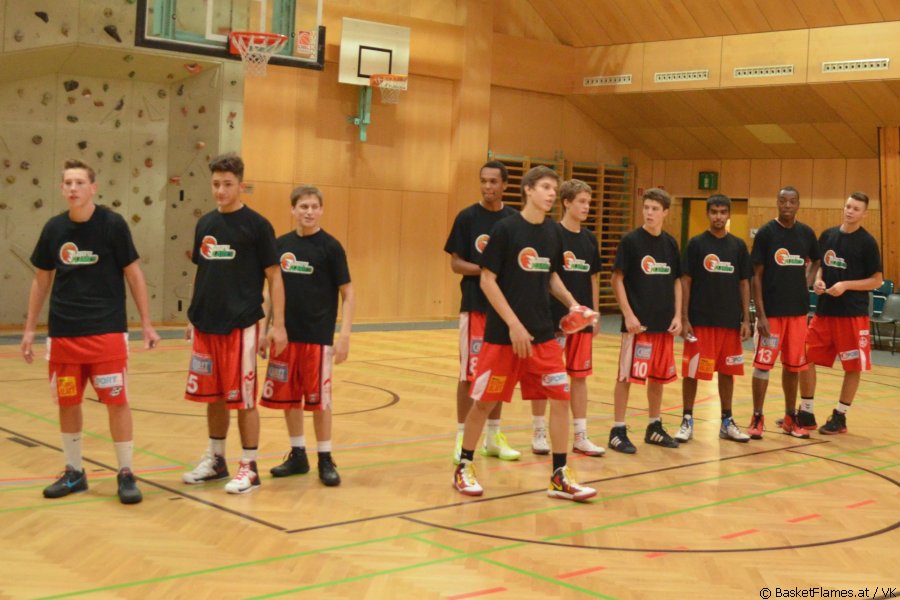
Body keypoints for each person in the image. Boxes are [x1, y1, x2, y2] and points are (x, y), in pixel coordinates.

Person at [453, 166, 596, 502]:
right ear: (528, 190)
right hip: (504, 338)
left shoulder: (552, 232)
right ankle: (464, 466)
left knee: (560, 399)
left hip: (543, 336)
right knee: (484, 403)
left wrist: (574, 304)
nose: (551, 193)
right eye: (545, 187)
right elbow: (487, 280)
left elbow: (551, 276)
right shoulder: (506, 229)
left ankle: (559, 475)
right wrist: (514, 324)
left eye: (554, 188)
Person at [21, 159, 160, 504]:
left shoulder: (112, 225)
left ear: (93, 188)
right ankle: (74, 472)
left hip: (106, 332)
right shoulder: (54, 228)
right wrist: (29, 329)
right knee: (68, 403)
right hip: (64, 334)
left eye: (79, 182)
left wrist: (146, 323)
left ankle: (126, 472)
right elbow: (41, 280)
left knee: (117, 401)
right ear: (62, 188)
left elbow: (134, 274)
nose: (73, 188)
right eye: (68, 183)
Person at [181, 153, 287, 494]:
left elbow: (275, 276)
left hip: (241, 324)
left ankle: (249, 467)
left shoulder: (257, 226)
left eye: (227, 184)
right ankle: (216, 459)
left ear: (241, 185)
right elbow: (202, 272)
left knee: (243, 398)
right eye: (216, 184)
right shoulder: (205, 224)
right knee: (213, 396)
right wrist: (192, 315)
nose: (220, 191)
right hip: (206, 323)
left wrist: (278, 325)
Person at [259, 185, 354, 486]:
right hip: (285, 336)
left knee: (319, 401)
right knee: (289, 398)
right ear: (293, 210)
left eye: (314, 206)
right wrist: (264, 329)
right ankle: (298, 454)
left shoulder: (331, 247)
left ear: (321, 210)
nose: (309, 212)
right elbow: (269, 292)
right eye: (303, 206)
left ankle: (325, 457)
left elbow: (348, 293)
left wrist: (344, 335)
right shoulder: (280, 245)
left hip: (318, 336)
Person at [444, 161, 520, 464]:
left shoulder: (513, 220)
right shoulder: (467, 217)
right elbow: (456, 264)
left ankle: (493, 437)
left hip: (503, 308)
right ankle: (462, 436)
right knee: (469, 374)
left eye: (493, 182)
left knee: (498, 374)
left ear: (505, 185)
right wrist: (487, 270)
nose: (487, 187)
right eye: (483, 181)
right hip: (475, 305)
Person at [531, 179, 606, 457]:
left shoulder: (589, 239)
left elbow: (593, 278)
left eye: (588, 202)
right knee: (547, 377)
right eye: (581, 202)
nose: (586, 207)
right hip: (553, 320)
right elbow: (547, 275)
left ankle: (581, 436)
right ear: (566, 202)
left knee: (580, 376)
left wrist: (594, 313)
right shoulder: (552, 234)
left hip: (582, 321)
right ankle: (539, 432)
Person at [799, 193, 882, 435]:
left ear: (864, 214)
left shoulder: (867, 243)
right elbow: (821, 267)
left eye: (856, 208)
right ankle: (806, 412)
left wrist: (846, 285)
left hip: (852, 314)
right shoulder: (828, 235)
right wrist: (818, 280)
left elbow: (877, 280)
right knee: (804, 357)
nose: (850, 211)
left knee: (852, 366)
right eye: (848, 206)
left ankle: (840, 416)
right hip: (825, 312)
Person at [608, 188, 682, 454]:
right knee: (626, 376)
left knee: (658, 378)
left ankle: (654, 425)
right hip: (638, 325)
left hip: (664, 324)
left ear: (665, 213)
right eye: (646, 207)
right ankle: (617, 429)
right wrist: (628, 314)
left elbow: (676, 281)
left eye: (655, 209)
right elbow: (616, 279)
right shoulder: (631, 241)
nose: (649, 213)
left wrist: (678, 315)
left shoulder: (670, 243)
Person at [676, 195, 751, 444]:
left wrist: (746, 319)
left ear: (729, 214)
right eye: (714, 212)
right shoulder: (696, 244)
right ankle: (687, 419)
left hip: (729, 321)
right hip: (700, 320)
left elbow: (744, 283)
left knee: (728, 372)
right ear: (708, 213)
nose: (718, 216)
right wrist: (684, 317)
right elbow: (686, 281)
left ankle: (727, 421)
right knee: (693, 371)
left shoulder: (738, 246)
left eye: (722, 212)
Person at [748, 186, 820, 439]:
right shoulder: (766, 233)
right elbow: (756, 276)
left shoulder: (806, 233)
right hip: (772, 314)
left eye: (792, 201)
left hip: (797, 314)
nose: (787, 205)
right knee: (762, 366)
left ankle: (791, 417)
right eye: (783, 201)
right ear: (777, 203)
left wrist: (806, 281)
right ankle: (757, 416)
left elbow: (817, 260)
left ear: (798, 204)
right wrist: (760, 315)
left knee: (793, 367)